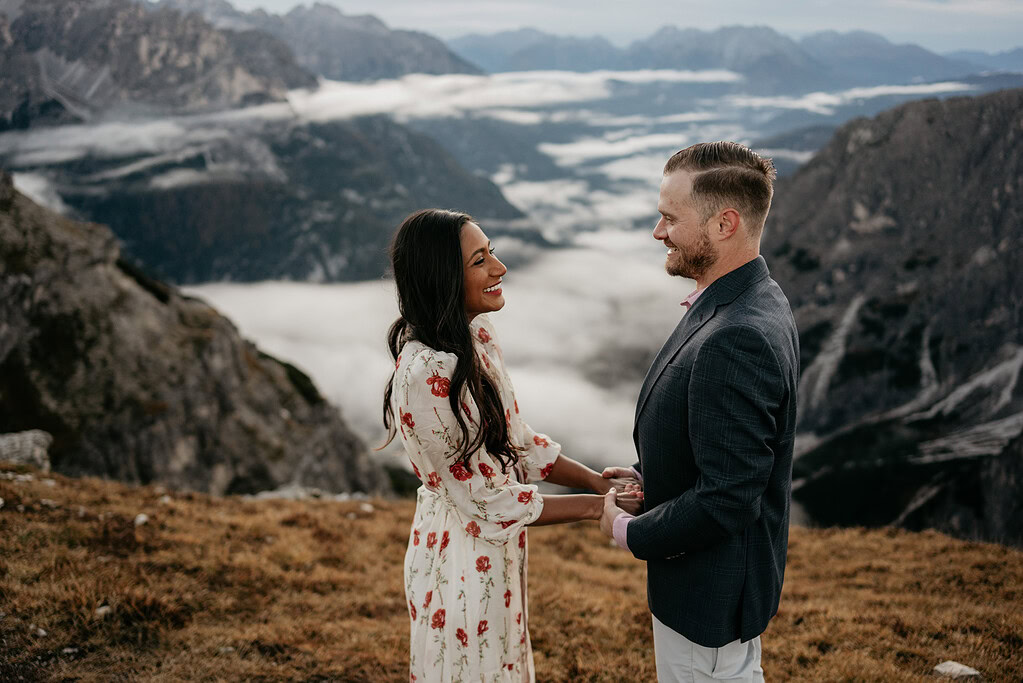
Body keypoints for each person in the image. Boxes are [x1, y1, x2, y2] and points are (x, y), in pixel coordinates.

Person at [381, 209, 641, 682]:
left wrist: (594, 479)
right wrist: (595, 507)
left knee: (501, 662)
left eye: (491, 252)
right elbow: (483, 499)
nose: (499, 269)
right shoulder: (423, 376)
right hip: (459, 547)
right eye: (480, 261)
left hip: (496, 547)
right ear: (443, 278)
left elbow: (517, 442)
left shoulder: (476, 337)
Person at [598, 142, 800, 682]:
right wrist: (651, 476)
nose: (657, 232)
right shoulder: (751, 297)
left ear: (723, 224)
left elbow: (727, 498)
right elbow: (720, 444)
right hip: (713, 591)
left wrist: (627, 531)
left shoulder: (735, 338)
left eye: (669, 217)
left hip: (709, 599)